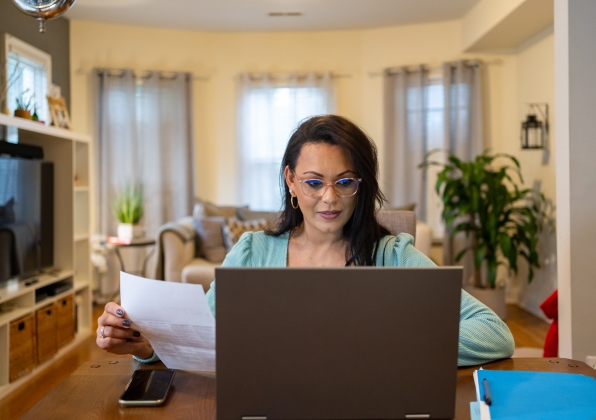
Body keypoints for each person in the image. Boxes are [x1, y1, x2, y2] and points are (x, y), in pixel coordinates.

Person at [96, 114, 515, 366]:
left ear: (361, 184)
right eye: (314, 182)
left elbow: (494, 334)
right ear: (291, 182)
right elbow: (204, 343)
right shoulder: (253, 252)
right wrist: (145, 344)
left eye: (345, 182)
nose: (329, 198)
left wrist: (374, 346)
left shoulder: (394, 255)